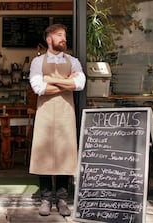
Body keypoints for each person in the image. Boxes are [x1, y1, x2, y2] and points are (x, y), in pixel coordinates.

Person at [28, 23, 86, 217]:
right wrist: (66, 83)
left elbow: (79, 84)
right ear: (49, 39)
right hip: (44, 113)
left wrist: (50, 80)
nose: (64, 39)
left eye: (65, 35)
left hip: (65, 114)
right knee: (43, 154)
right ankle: (45, 198)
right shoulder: (37, 62)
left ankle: (61, 199)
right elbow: (38, 88)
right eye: (59, 35)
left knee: (64, 154)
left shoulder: (74, 61)